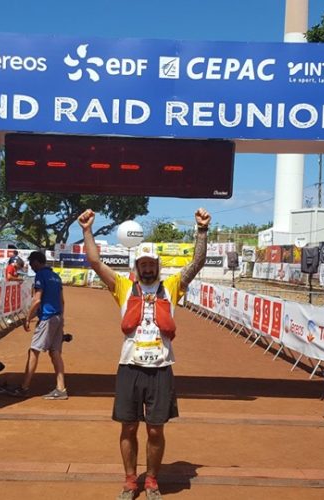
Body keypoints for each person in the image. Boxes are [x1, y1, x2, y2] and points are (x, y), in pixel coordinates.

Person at [78, 207, 211, 500]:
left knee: (155, 430)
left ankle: (151, 480)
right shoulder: (123, 287)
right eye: (143, 264)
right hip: (130, 366)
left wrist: (201, 230)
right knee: (128, 427)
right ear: (137, 266)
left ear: (158, 266)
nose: (148, 268)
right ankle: (130, 481)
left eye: (152, 264)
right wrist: (87, 230)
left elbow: (197, 262)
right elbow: (95, 262)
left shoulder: (171, 287)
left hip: (161, 368)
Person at [9, 251, 67, 400]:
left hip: (47, 318)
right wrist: (61, 320)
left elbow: (37, 300)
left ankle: (24, 387)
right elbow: (62, 301)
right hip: (58, 317)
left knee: (34, 351)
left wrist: (28, 318)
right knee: (55, 352)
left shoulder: (40, 275)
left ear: (36, 262)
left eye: (31, 263)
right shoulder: (56, 276)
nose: (31, 267)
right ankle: (61, 388)